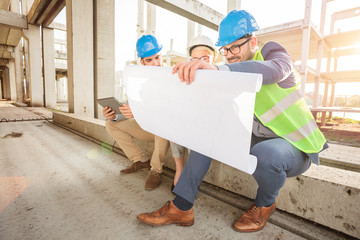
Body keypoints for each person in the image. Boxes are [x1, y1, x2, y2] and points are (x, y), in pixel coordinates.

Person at [136, 10, 328, 232]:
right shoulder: (231, 74)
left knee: (266, 154)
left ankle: (265, 205)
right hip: (258, 140)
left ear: (252, 41)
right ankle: (182, 206)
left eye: (235, 47)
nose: (230, 54)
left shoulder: (270, 51)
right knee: (206, 134)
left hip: (296, 147)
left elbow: (277, 70)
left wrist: (220, 69)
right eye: (225, 49)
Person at [103, 34, 169, 190]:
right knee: (111, 124)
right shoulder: (139, 82)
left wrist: (139, 111)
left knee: (164, 123)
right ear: (142, 62)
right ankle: (140, 160)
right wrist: (114, 114)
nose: (155, 64)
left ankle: (155, 171)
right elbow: (130, 106)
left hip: (164, 130)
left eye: (157, 58)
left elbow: (168, 111)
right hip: (147, 127)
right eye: (149, 60)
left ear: (162, 56)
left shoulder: (170, 77)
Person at [170, 35, 217, 190]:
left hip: (208, 128)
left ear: (213, 60)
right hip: (189, 123)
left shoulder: (222, 78)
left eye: (204, 58)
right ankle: (180, 170)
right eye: (195, 58)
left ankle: (190, 178)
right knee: (174, 125)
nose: (199, 63)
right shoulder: (186, 78)